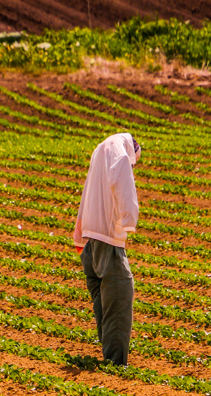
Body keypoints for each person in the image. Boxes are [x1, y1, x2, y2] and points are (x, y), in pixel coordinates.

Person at [72, 132, 141, 366]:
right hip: (107, 241)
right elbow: (122, 177)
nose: (132, 169)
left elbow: (87, 192)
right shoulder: (120, 153)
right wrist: (129, 219)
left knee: (105, 302)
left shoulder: (100, 150)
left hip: (90, 242)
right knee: (120, 298)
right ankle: (115, 363)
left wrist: (78, 236)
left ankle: (109, 357)